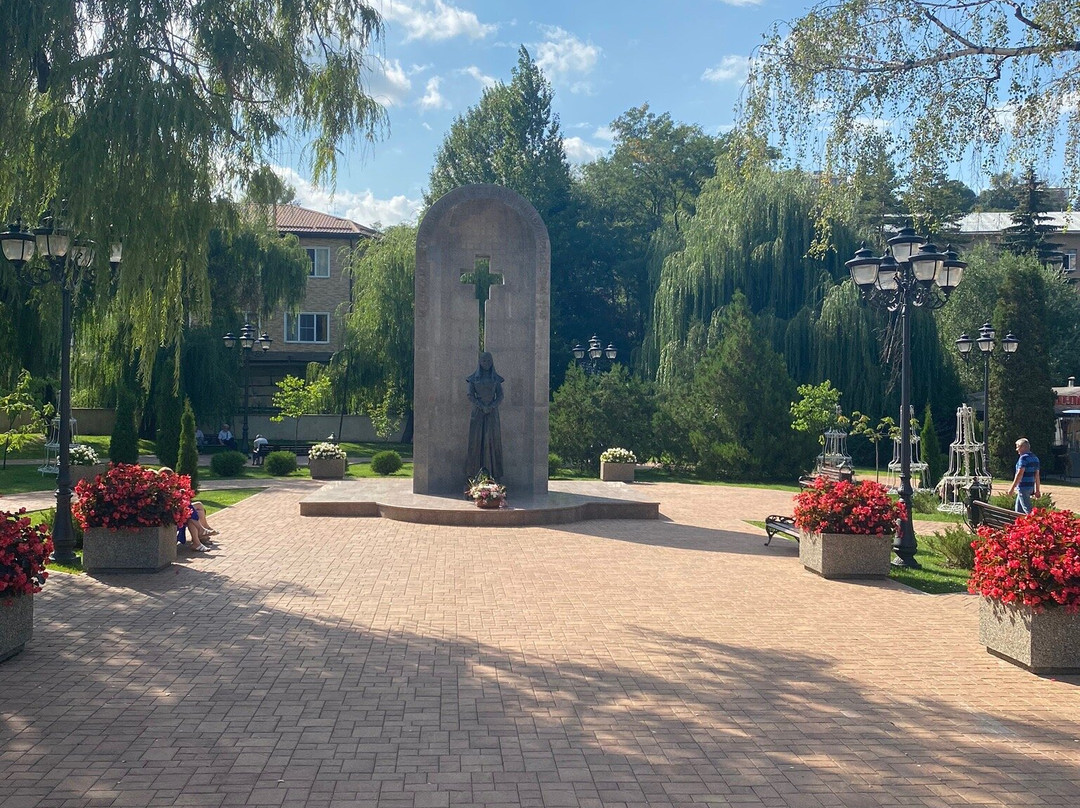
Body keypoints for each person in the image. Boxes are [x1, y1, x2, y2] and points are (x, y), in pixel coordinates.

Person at [465, 351, 504, 482]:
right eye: (483, 361)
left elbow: (500, 395)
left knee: (493, 441)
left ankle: (495, 475)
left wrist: (492, 406)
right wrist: (481, 405)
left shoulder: (496, 379)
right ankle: (472, 476)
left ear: (492, 362)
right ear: (479, 362)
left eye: (488, 361)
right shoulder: (473, 379)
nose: (486, 363)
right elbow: (470, 395)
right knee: (475, 442)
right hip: (477, 413)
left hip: (492, 414)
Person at [1008, 437, 1041, 514]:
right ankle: (1019, 525)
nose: (1017, 450)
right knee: (1018, 510)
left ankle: (1035, 523)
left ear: (1023, 447)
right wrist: (1037, 490)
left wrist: (1012, 488)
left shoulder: (1023, 458)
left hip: (1023, 487)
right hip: (1030, 487)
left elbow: (1019, 474)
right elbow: (1037, 475)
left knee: (1027, 510)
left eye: (1018, 447)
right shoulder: (1035, 458)